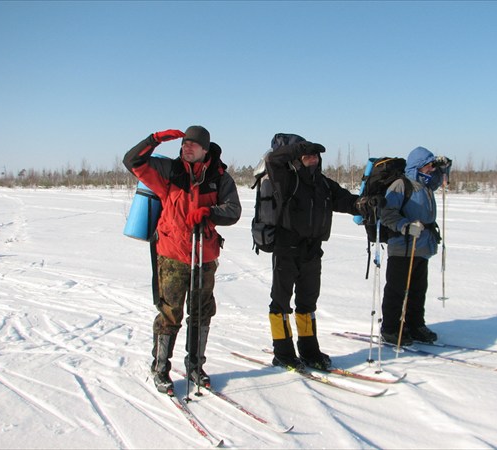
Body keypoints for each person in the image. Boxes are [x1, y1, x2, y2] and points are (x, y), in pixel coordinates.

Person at [123, 126, 241, 393]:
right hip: (172, 255)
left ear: (205, 149)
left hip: (205, 256)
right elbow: (132, 161)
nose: (187, 147)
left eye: (193, 144)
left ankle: (195, 366)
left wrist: (208, 212)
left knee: (201, 313)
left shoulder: (219, 177)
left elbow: (233, 210)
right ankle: (161, 368)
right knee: (169, 313)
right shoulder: (169, 172)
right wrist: (154, 140)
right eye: (185, 143)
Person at [264, 133, 362, 371]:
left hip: (312, 251)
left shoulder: (323, 183)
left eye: (315, 156)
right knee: (281, 303)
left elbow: (346, 201)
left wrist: (363, 204)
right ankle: (283, 353)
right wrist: (298, 148)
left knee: (308, 303)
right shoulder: (285, 178)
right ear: (297, 158)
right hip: (285, 249)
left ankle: (310, 351)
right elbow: (273, 160)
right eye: (307, 156)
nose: (313, 159)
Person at [378, 146, 451, 345]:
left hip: (422, 245)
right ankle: (390, 329)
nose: (431, 170)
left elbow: (441, 179)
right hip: (403, 246)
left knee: (418, 289)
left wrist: (445, 167)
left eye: (431, 167)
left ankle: (415, 324)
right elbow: (386, 213)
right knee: (396, 290)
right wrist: (405, 226)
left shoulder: (425, 185)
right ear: (417, 167)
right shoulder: (401, 185)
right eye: (428, 167)